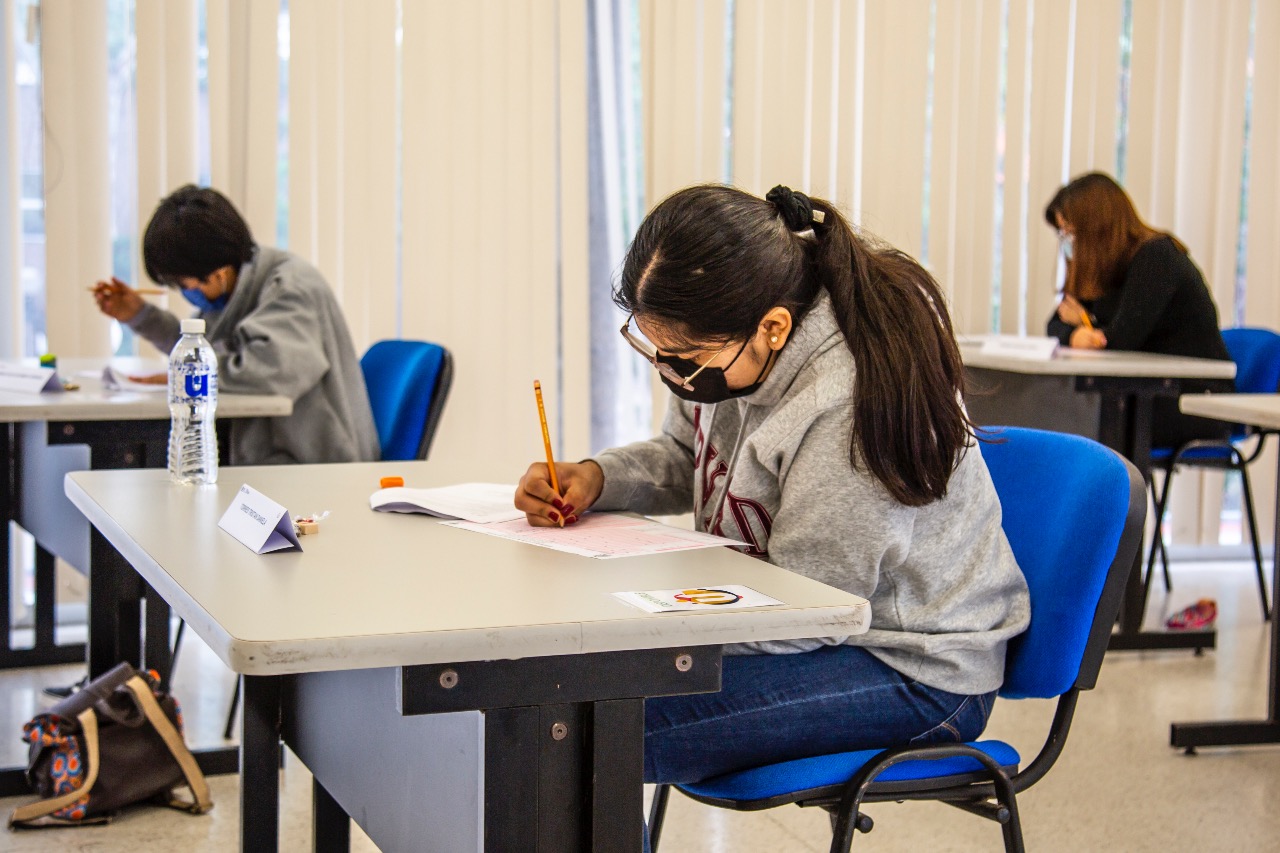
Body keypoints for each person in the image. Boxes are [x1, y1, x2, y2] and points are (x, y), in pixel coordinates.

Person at [514, 184, 1030, 792]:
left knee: (590, 731)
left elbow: (812, 607)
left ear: (774, 328)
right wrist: (597, 478)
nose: (672, 372)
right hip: (801, 626)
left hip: (908, 666)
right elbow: (687, 456)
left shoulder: (848, 400)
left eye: (687, 358)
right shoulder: (730, 349)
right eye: (655, 351)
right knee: (570, 703)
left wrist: (643, 631)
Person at [93, 184, 379, 465]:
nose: (184, 291)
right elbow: (200, 349)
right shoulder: (234, 290)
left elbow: (271, 371)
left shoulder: (291, 287)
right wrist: (139, 315)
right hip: (270, 453)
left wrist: (190, 375)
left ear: (217, 274)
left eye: (182, 283)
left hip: (312, 460)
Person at [1045, 171, 1235, 447]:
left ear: (1096, 228)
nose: (1066, 241)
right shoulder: (1102, 271)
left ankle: (1123, 492)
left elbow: (1121, 338)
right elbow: (1057, 321)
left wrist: (1086, 320)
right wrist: (1076, 334)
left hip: (1195, 399)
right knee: (1065, 413)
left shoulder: (1157, 257)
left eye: (1070, 232)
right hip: (1143, 395)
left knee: (1083, 422)